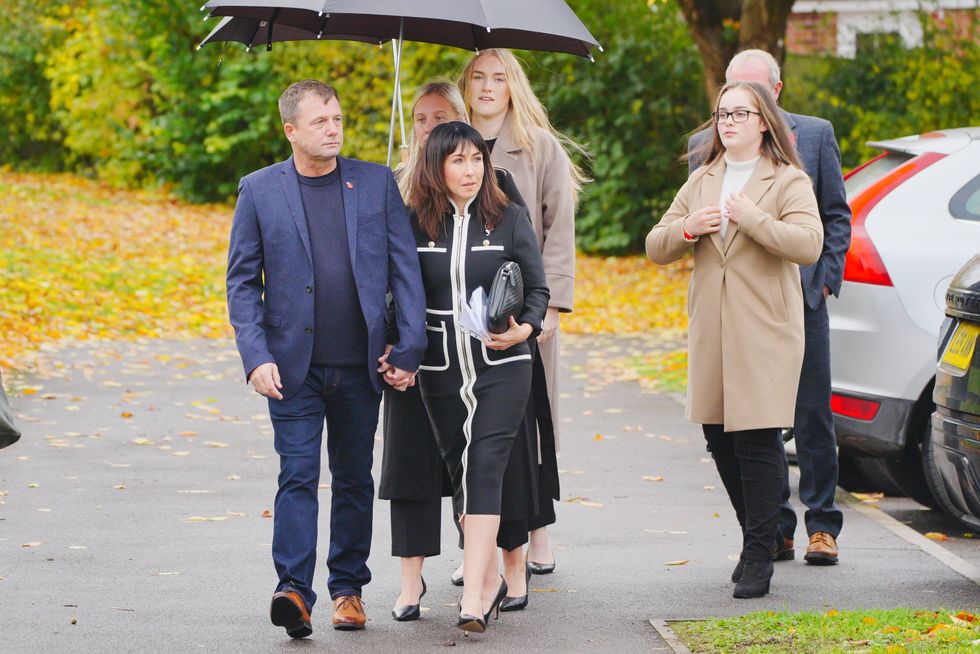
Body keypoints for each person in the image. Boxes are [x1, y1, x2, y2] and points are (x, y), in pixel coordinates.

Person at [226, 80, 427, 638]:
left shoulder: (376, 183)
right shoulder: (259, 190)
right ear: (291, 130)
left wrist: (409, 346)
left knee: (353, 477)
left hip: (362, 365)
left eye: (338, 119)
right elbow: (242, 283)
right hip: (290, 368)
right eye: (321, 121)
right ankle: (293, 590)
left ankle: (348, 591)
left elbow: (403, 269)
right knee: (296, 475)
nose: (333, 129)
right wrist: (254, 355)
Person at [647, 80, 823, 598]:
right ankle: (758, 535)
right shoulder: (703, 179)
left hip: (766, 329)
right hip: (713, 329)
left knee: (757, 438)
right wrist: (687, 229)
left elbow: (809, 245)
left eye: (740, 114)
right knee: (719, 437)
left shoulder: (787, 180)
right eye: (723, 114)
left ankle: (757, 554)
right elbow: (656, 245)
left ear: (764, 121)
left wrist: (755, 219)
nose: (728, 122)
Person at [380, 81, 544, 621]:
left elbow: (537, 290)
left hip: (503, 364)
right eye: (458, 161)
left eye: (477, 158)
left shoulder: (508, 215)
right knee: (459, 468)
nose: (471, 170)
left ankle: (474, 597)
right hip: (440, 370)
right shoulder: (414, 220)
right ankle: (488, 579)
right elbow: (398, 292)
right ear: (435, 167)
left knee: (486, 467)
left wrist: (527, 329)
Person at [689, 49, 852, 566]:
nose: (738, 110)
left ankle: (822, 525)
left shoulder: (817, 136)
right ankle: (774, 528)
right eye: (732, 96)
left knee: (811, 415)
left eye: (753, 94)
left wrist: (822, 282)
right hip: (734, 312)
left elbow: (834, 217)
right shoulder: (702, 149)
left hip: (800, 298)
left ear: (774, 96)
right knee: (748, 423)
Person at [459, 47, 584, 592]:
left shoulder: (539, 148)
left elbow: (559, 230)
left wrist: (551, 304)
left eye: (499, 78)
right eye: (478, 78)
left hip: (525, 310)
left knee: (531, 424)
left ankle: (537, 531)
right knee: (469, 428)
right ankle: (476, 546)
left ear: (513, 87)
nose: (488, 87)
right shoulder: (449, 144)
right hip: (463, 312)